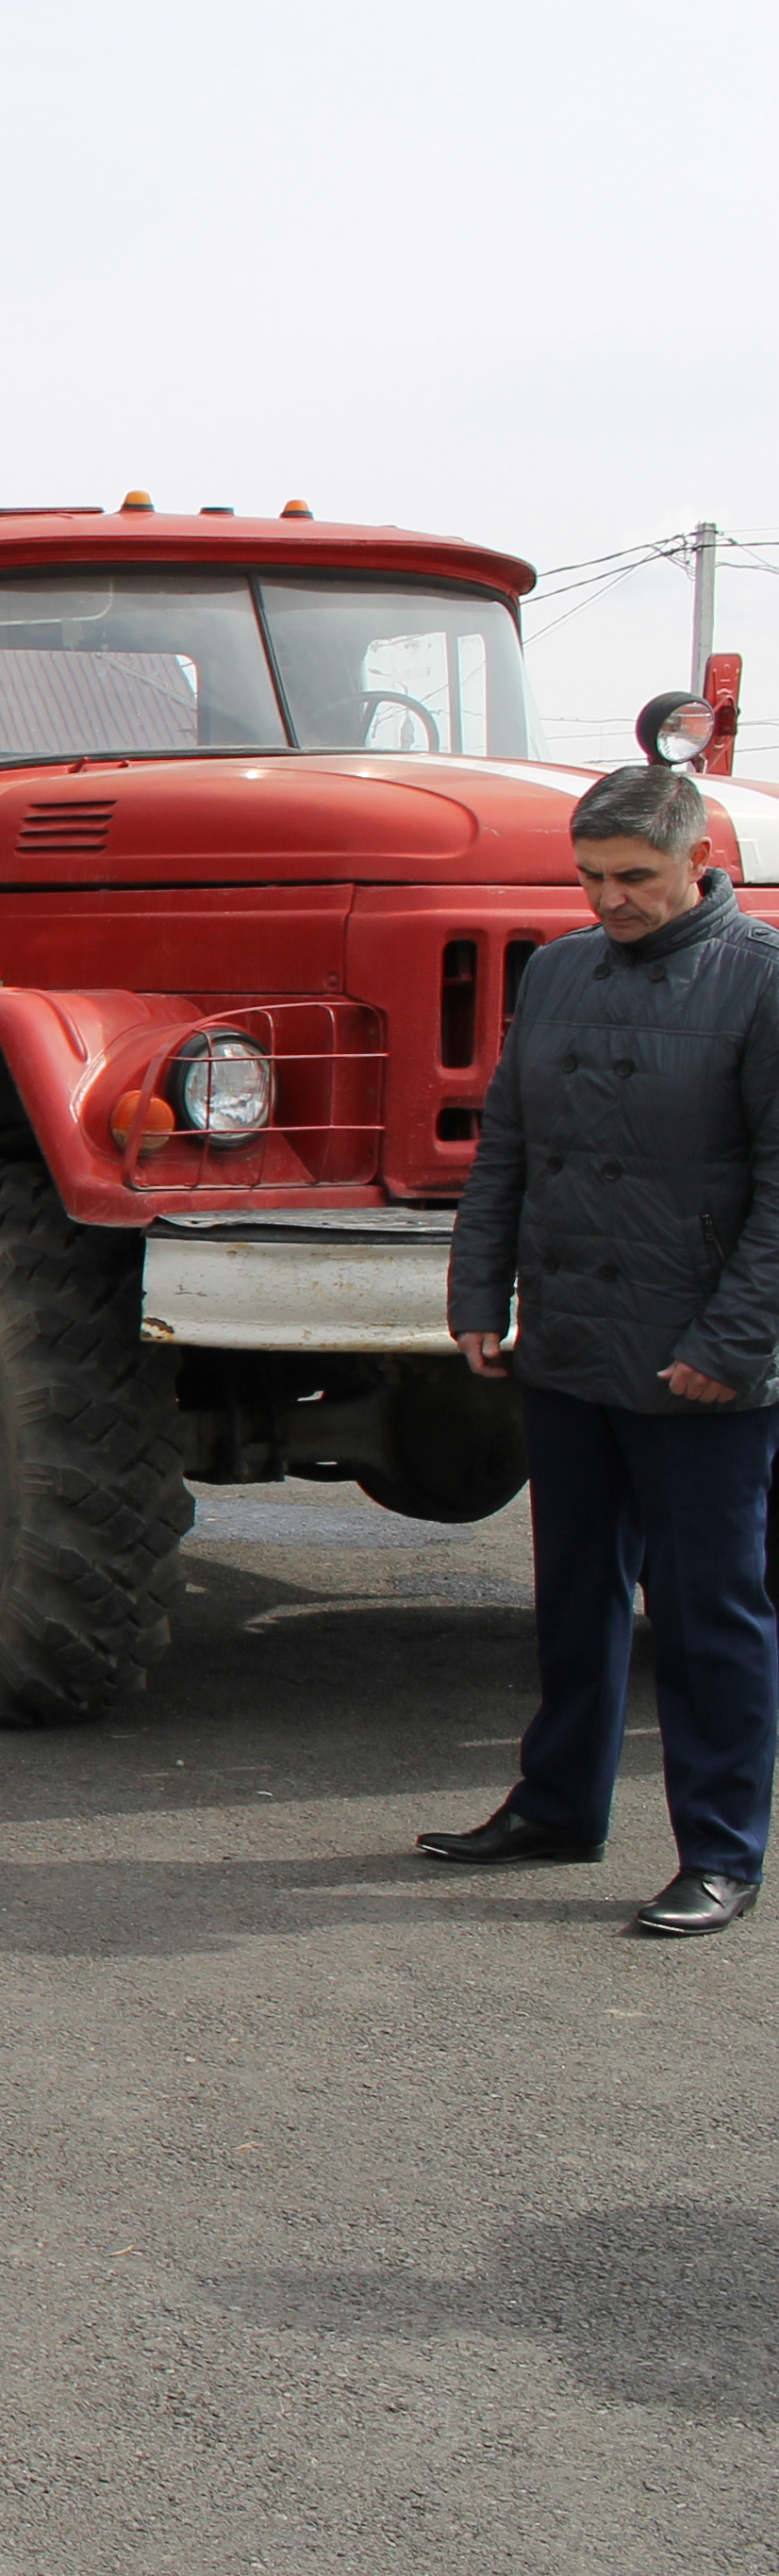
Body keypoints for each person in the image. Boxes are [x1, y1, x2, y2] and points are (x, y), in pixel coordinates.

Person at [428, 742, 779, 1939]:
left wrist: (730, 1344)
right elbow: (509, 1148)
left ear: (699, 859)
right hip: (573, 1343)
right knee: (573, 1597)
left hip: (703, 1366)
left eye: (634, 876)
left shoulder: (764, 980)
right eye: (590, 877)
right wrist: (479, 1295)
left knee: (707, 1614)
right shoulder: (563, 971)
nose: (609, 899)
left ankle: (723, 1852)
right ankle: (557, 1805)